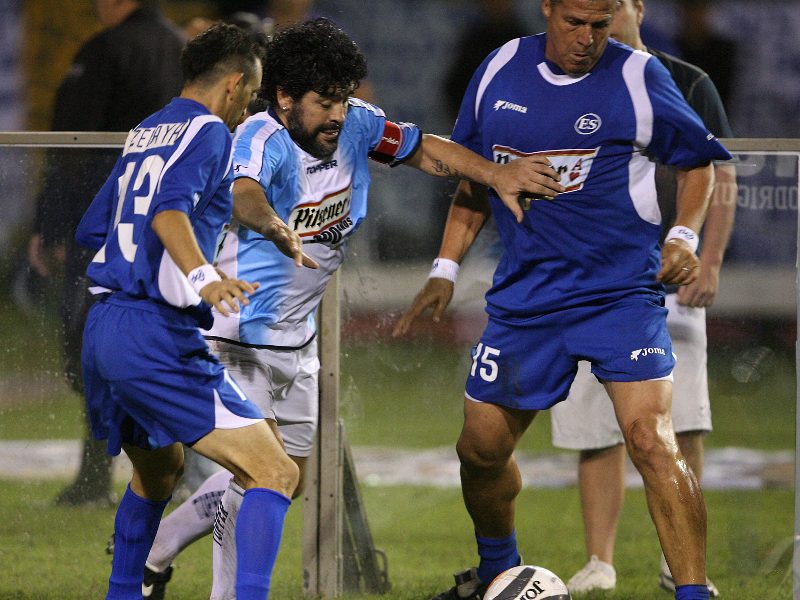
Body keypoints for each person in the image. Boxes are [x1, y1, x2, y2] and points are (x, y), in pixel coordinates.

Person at [134, 17, 564, 600]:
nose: (338, 113)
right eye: (324, 102)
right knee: (257, 477)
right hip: (235, 337)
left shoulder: (358, 128)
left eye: (343, 98)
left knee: (289, 480)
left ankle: (155, 555)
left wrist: (496, 174)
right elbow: (243, 191)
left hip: (295, 341)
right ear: (284, 98)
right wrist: (275, 225)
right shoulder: (261, 137)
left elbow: (423, 147)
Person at [392, 1, 732, 599]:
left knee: (652, 438)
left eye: (600, 25)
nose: (588, 39)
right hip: (528, 300)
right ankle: (499, 571)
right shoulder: (499, 68)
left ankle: (693, 592)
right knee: (480, 448)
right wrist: (445, 268)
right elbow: (474, 175)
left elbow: (698, 162)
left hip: (620, 294)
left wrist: (684, 235)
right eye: (575, 22)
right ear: (547, 8)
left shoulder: (636, 76)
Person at [75, 23, 294, 600]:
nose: (250, 104)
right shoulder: (209, 133)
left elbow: (93, 226)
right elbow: (168, 213)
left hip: (103, 326)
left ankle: (125, 591)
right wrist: (205, 279)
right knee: (276, 472)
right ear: (233, 84)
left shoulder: (148, 129)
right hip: (152, 333)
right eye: (252, 92)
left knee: (159, 472)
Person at [549, 0, 737, 595]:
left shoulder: (686, 81)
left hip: (667, 275)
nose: (598, 21)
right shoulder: (564, 77)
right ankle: (600, 560)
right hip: (586, 279)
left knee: (682, 423)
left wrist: (706, 258)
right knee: (591, 424)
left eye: (612, 8)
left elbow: (718, 173)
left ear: (636, 9)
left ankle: (677, 559)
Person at [28, 0, 185, 507]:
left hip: (103, 232)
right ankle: (171, 474)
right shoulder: (184, 50)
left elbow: (70, 147)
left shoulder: (104, 50)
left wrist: (49, 227)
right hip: (176, 232)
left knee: (89, 353)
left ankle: (102, 477)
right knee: (159, 350)